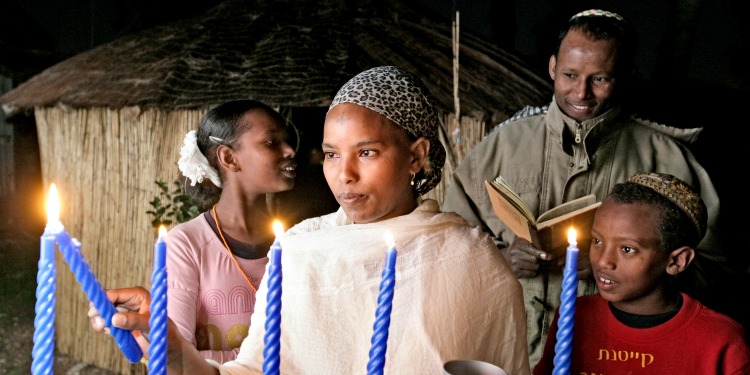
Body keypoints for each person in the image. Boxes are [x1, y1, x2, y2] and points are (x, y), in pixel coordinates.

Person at [89, 66, 530, 374]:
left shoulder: (470, 261)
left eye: (367, 152)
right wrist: (168, 345)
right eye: (333, 155)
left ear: (416, 155)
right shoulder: (300, 251)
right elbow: (251, 371)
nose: (344, 174)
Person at [441, 8, 732, 367]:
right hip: (513, 353)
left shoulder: (668, 160)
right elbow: (447, 245)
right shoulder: (501, 147)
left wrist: (624, 268)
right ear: (552, 67)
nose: (581, 91)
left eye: (600, 79)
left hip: (620, 358)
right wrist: (502, 259)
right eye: (569, 75)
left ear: (626, 76)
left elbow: (718, 269)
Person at [533, 172, 750, 374]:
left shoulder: (721, 341)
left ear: (677, 261)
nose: (603, 261)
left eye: (627, 249)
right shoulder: (574, 315)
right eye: (597, 241)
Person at [166, 99, 297, 362]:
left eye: (288, 141)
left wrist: (211, 356)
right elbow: (178, 358)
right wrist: (277, 357)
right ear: (229, 157)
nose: (290, 151)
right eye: (271, 142)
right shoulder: (187, 244)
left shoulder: (295, 240)